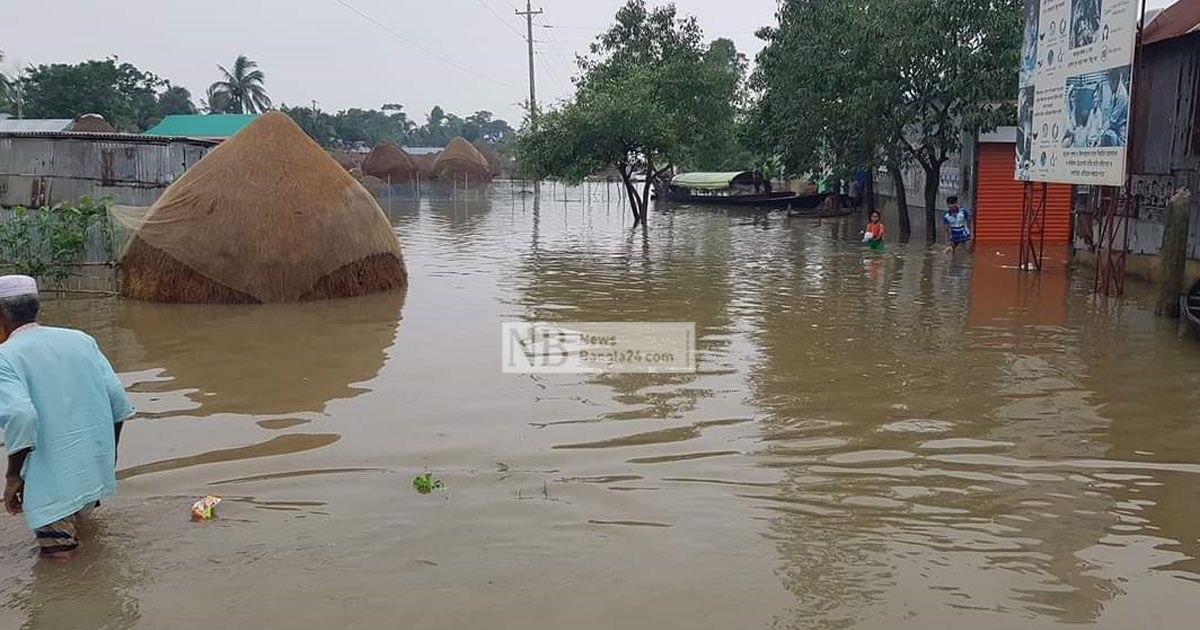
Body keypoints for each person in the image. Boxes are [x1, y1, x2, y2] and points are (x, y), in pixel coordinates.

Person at [0, 275, 133, 559]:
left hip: (52, 487)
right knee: (90, 552)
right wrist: (109, 455)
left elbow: (20, 415)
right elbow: (118, 402)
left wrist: (12, 476)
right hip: (91, 474)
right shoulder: (82, 340)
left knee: (63, 572)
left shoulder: (5, 357)